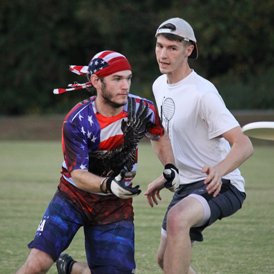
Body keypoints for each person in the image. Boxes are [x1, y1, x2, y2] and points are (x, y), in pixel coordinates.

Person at [15, 50, 180, 274]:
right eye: (117, 79)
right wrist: (109, 184)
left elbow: (158, 135)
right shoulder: (78, 120)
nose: (126, 86)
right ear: (96, 81)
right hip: (73, 197)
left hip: (115, 206)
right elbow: (78, 175)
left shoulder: (142, 110)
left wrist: (169, 167)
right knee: (37, 265)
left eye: (128, 78)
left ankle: (73, 269)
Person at [144, 17, 254, 274]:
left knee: (177, 218)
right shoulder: (159, 86)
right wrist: (168, 173)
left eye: (172, 48)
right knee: (164, 260)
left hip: (223, 185)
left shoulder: (203, 93)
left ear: (188, 50)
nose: (163, 54)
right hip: (187, 186)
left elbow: (244, 144)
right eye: (160, 46)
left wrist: (219, 170)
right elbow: (174, 138)